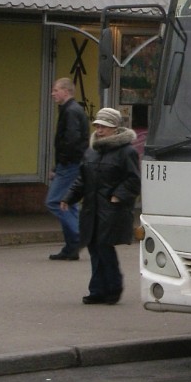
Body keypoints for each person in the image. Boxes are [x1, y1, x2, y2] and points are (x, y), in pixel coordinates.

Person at [60, 107, 141, 305]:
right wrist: (68, 197)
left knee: (104, 248)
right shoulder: (92, 151)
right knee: (94, 248)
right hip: (91, 209)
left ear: (115, 128)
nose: (99, 130)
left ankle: (112, 288)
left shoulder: (126, 151)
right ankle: (97, 290)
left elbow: (133, 180)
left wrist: (117, 196)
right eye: (97, 125)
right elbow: (82, 178)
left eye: (104, 126)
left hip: (111, 210)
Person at [46, 77, 90, 261]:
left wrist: (62, 163)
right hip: (71, 163)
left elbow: (71, 140)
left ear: (66, 91)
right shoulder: (71, 110)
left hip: (71, 164)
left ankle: (78, 236)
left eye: (56, 90)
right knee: (68, 203)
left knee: (55, 201)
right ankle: (71, 248)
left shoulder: (70, 111)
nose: (53, 93)